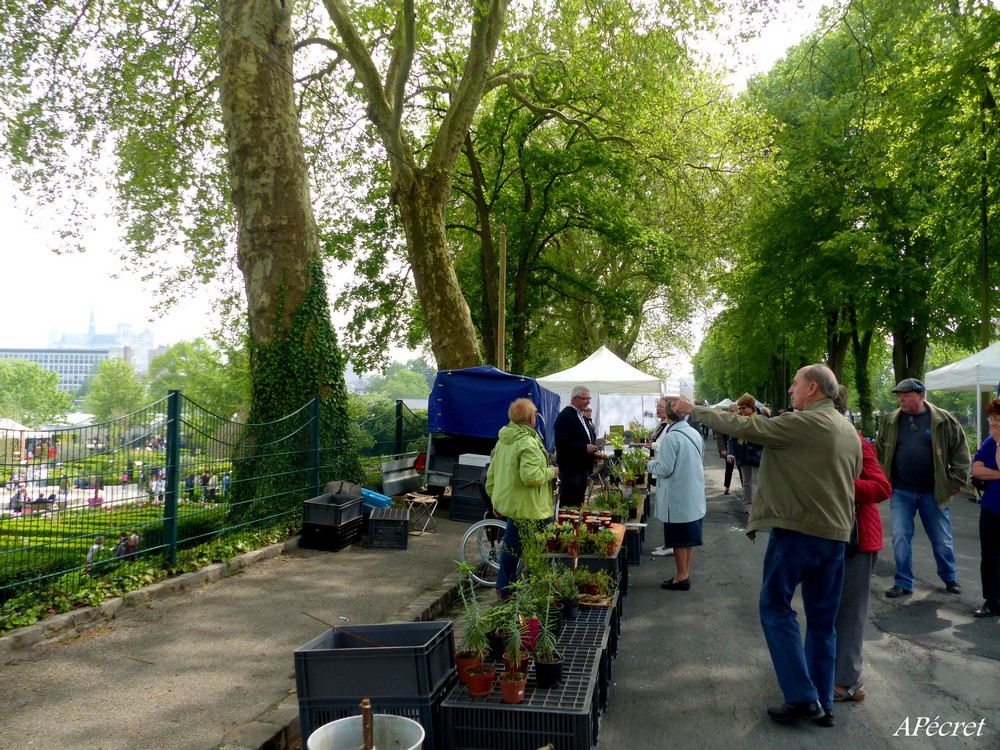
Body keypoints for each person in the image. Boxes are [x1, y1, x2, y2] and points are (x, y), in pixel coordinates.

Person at [673, 364, 862, 728]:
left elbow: (747, 426)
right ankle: (824, 702)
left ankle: (802, 697)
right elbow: (853, 478)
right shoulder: (847, 429)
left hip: (797, 531)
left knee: (775, 607)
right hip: (836, 536)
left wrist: (693, 410)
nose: (790, 391)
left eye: (794, 384)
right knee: (823, 622)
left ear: (812, 388)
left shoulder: (803, 422)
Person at [875, 378, 970, 598]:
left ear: (921, 395)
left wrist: (956, 481)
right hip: (901, 490)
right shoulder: (891, 420)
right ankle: (903, 582)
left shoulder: (944, 420)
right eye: (899, 396)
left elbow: (960, 453)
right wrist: (880, 477)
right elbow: (879, 451)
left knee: (941, 539)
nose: (900, 399)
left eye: (905, 395)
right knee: (900, 535)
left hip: (933, 492)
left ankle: (949, 576)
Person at [832, 385, 891, 702]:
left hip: (857, 539)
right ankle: (832, 674)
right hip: (833, 537)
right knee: (830, 610)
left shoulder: (855, 440)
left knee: (850, 614)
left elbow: (882, 488)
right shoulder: (827, 438)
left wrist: (841, 483)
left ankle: (849, 682)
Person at [485, 398, 559, 597]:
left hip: (514, 504)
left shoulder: (503, 440)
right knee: (539, 550)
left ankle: (504, 586)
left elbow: (492, 474)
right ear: (531, 418)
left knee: (510, 548)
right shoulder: (528, 442)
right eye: (534, 415)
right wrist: (552, 472)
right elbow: (531, 476)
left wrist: (495, 499)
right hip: (531, 507)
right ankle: (539, 590)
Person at [647, 398, 706, 589]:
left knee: (679, 539)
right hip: (691, 492)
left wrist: (648, 464)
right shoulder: (693, 432)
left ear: (669, 413)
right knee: (687, 540)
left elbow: (664, 468)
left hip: (677, 495)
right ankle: (685, 574)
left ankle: (681, 577)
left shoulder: (672, 436)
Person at [970, 399, 1000, 617]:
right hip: (992, 506)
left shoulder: (995, 441)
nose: (992, 424)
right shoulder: (990, 441)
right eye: (992, 419)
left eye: (997, 420)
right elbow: (976, 470)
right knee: (989, 555)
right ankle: (992, 600)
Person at [554, 385, 598, 507]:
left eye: (589, 399)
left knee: (578, 505)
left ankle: (576, 526)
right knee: (569, 506)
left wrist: (592, 449)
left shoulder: (580, 415)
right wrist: (585, 448)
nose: (588, 402)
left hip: (580, 470)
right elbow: (561, 443)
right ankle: (567, 526)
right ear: (574, 399)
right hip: (571, 471)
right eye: (585, 399)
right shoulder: (565, 416)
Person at [646, 399, 673, 557]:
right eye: (656, 407)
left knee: (667, 508)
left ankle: (671, 544)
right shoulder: (662, 424)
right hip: (658, 466)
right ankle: (668, 543)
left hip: (663, 468)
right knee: (664, 507)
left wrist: (653, 446)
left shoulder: (670, 427)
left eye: (660, 407)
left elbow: (667, 447)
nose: (657, 410)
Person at [728, 394, 763, 514]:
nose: (741, 410)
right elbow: (732, 439)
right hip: (743, 453)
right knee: (746, 481)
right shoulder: (738, 420)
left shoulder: (760, 419)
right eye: (740, 408)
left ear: (751, 407)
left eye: (744, 408)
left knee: (756, 481)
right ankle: (748, 504)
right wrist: (730, 453)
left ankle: (755, 506)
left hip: (757, 453)